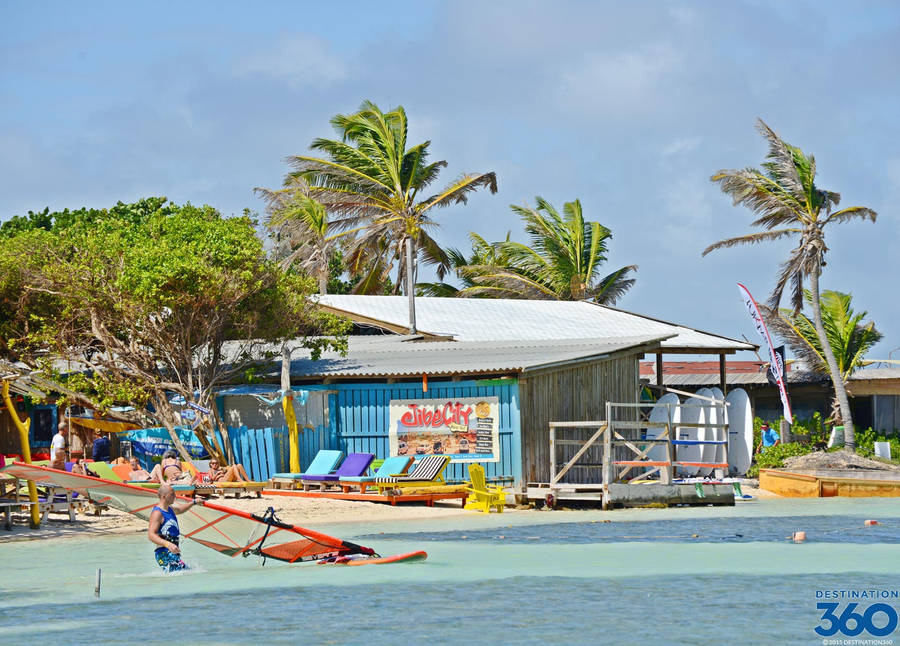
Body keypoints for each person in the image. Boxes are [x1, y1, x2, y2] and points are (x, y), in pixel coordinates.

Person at [147, 484, 200, 572]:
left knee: (184, 574)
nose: (175, 496)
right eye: (172, 494)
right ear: (164, 496)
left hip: (172, 552)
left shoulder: (169, 509)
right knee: (183, 573)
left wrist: (193, 502)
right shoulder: (157, 513)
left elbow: (180, 509)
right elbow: (151, 535)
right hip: (164, 552)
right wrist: (168, 545)